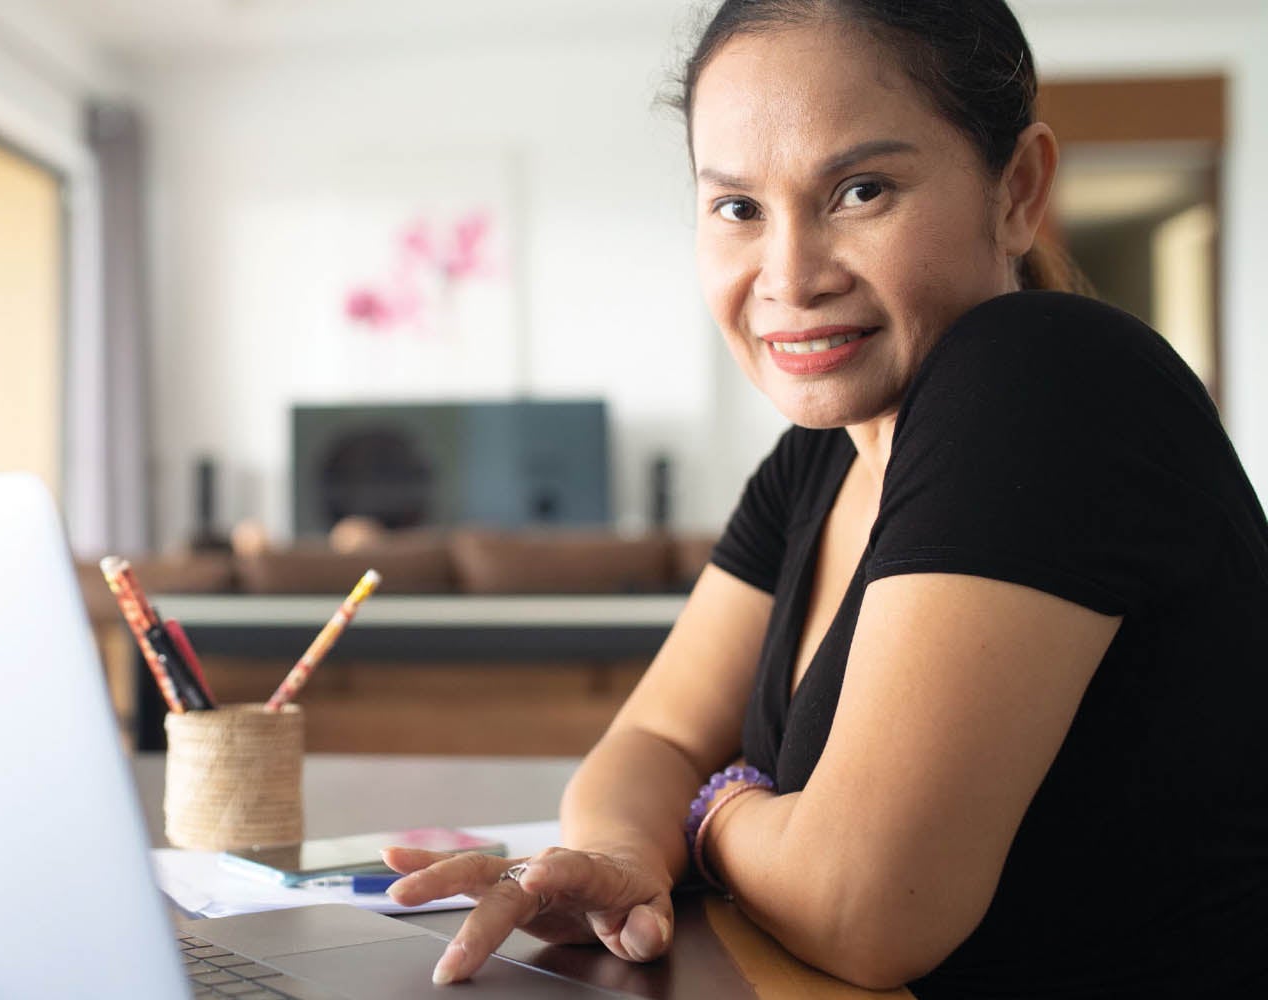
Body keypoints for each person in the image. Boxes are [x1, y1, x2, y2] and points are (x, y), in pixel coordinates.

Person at [380, 1, 1268, 996]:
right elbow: (649, 741)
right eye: (737, 208)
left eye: (860, 189)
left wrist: (710, 809)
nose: (789, 275)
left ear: (1015, 190)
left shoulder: (1041, 376)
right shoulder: (820, 457)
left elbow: (864, 908)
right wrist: (630, 854)